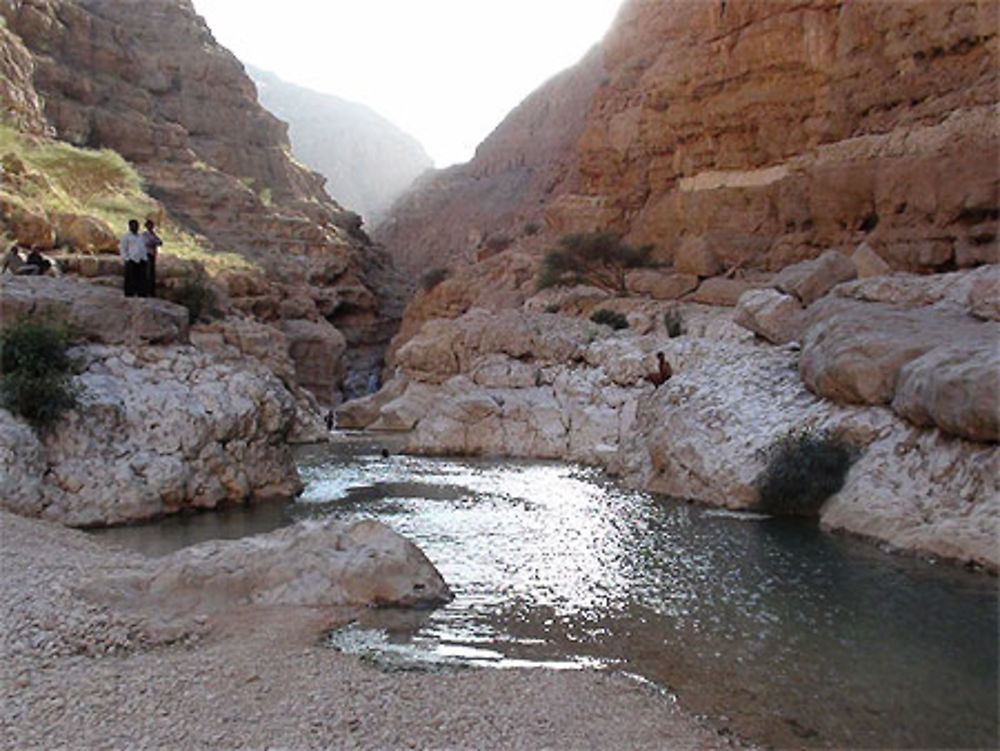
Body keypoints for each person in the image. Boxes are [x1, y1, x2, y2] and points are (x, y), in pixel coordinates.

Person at [119, 219, 148, 297]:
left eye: (136, 225)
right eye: (133, 225)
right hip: (131, 259)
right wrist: (126, 258)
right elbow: (123, 248)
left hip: (141, 259)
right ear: (130, 227)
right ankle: (129, 293)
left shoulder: (141, 236)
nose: (135, 227)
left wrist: (145, 257)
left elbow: (143, 247)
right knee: (130, 278)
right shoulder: (126, 236)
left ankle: (141, 293)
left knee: (141, 278)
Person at [141, 219, 163, 297]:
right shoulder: (144, 235)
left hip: (152, 255)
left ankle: (151, 291)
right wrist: (154, 242)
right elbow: (147, 242)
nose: (151, 227)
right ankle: (145, 291)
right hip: (146, 254)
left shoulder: (153, 235)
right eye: (149, 225)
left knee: (152, 273)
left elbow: (160, 242)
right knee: (147, 273)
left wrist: (154, 242)